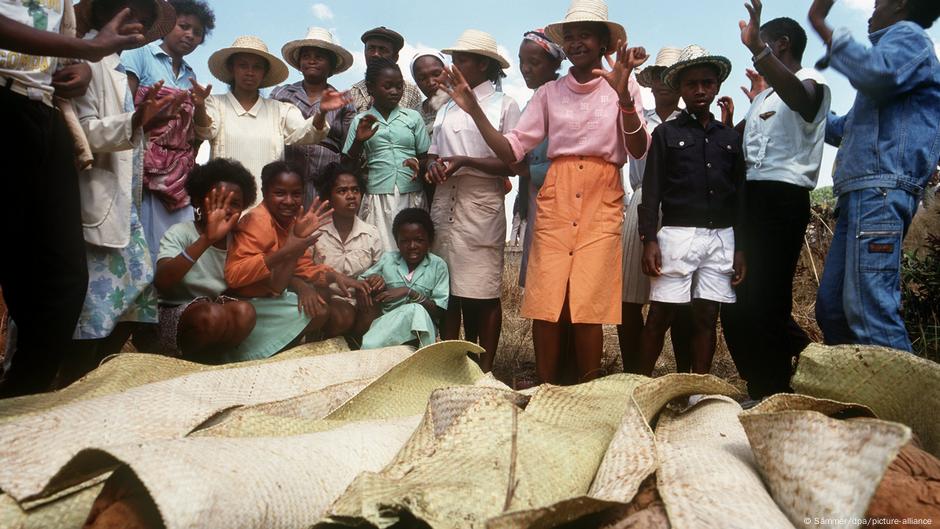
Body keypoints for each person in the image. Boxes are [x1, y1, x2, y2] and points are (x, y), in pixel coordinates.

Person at [440, 0, 650, 384]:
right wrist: (474, 110)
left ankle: (587, 389)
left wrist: (623, 98)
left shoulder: (624, 83)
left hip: (602, 194)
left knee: (588, 303)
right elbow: (513, 149)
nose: (575, 43)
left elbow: (637, 149)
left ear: (604, 41)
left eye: (584, 34)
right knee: (547, 299)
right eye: (569, 37)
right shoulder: (549, 94)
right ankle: (546, 385)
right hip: (557, 190)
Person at [0, 0, 149, 398]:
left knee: (61, 280)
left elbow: (59, 46)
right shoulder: (95, 51)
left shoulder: (98, 59)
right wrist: (87, 52)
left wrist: (76, 61)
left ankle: (19, 400)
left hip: (42, 110)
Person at [808, 0, 940, 352]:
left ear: (900, 5)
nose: (871, 9)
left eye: (879, 1)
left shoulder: (909, 38)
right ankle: (862, 398)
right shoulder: (892, 58)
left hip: (880, 191)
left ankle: (905, 404)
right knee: (833, 309)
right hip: (859, 195)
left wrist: (820, 23)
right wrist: (798, 100)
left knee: (870, 311)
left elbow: (877, 74)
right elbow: (843, 128)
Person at [67, 0, 182, 387]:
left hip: (119, 204)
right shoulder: (84, 59)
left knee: (137, 295)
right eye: (129, 14)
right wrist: (135, 121)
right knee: (93, 309)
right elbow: (81, 133)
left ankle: (90, 375)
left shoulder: (113, 66)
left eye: (145, 22)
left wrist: (144, 121)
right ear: (102, 13)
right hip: (91, 201)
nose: (137, 26)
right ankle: (73, 379)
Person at [722, 5, 831, 399]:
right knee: (735, 303)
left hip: (782, 199)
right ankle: (767, 380)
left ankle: (774, 388)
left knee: (767, 300)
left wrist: (759, 52)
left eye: (764, 41)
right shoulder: (763, 96)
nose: (754, 48)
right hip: (751, 200)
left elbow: (802, 101)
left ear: (781, 44)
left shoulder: (810, 82)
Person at [636, 45, 746, 377]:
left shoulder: (729, 137)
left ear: (717, 86)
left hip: (720, 238)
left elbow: (739, 195)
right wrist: (648, 240)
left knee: (705, 317)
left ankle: (697, 391)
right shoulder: (666, 133)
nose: (700, 90)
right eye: (692, 84)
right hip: (677, 235)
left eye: (707, 83)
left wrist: (740, 247)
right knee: (660, 315)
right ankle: (637, 387)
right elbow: (652, 190)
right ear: (680, 89)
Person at [428, 29, 521, 374]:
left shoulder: (505, 104)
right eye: (454, 58)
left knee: (482, 291)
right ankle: (452, 364)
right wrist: (432, 166)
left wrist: (466, 161)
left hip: (481, 199)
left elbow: (513, 161)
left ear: (483, 64)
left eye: (463, 59)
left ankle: (485, 368)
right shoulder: (446, 103)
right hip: (445, 199)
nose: (455, 65)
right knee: (449, 289)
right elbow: (433, 151)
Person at [224, 161, 369, 361]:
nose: (289, 201)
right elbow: (234, 276)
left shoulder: (292, 222)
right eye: (280, 193)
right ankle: (245, 353)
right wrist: (287, 252)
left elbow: (302, 268)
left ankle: (278, 353)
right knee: (318, 308)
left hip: (271, 295)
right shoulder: (257, 220)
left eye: (296, 194)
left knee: (319, 305)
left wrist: (334, 276)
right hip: (244, 303)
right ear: (265, 193)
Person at [618, 47, 695, 374]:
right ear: (649, 83)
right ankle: (635, 372)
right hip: (640, 202)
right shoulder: (637, 119)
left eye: (670, 75)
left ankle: (683, 375)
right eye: (658, 75)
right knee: (628, 298)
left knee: (680, 302)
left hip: (681, 208)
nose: (663, 82)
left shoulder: (692, 122)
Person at [194, 35, 339, 207]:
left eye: (257, 67)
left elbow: (307, 134)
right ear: (232, 68)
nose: (250, 72)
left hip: (267, 209)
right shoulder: (215, 103)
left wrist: (321, 112)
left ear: (264, 73)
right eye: (243, 65)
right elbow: (206, 130)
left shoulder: (280, 110)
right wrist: (200, 106)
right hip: (225, 204)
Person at [121, 0, 216, 261]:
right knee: (137, 238)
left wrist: (198, 105)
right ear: (166, 27)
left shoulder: (190, 74)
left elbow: (192, 132)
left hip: (177, 172)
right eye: (183, 26)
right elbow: (124, 110)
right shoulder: (138, 54)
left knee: (171, 242)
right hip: (139, 161)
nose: (190, 35)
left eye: (197, 32)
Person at [154, 159, 257, 361]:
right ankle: (183, 363)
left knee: (245, 312)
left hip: (215, 311)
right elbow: (162, 281)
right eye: (218, 201)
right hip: (174, 314)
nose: (225, 210)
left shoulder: (239, 241)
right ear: (199, 201)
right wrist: (206, 239)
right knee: (212, 315)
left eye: (234, 204)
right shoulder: (182, 232)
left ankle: (212, 362)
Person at [343, 58, 431, 251]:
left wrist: (418, 162)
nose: (395, 92)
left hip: (411, 194)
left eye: (399, 87)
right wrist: (358, 141)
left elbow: (427, 157)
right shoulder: (361, 121)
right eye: (388, 86)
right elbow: (346, 167)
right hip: (377, 196)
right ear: (370, 88)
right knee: (381, 251)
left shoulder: (413, 117)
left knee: (411, 250)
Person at [272, 27, 357, 208]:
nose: (312, 60)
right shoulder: (281, 93)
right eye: (306, 56)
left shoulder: (343, 101)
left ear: (331, 65)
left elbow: (347, 146)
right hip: (287, 179)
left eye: (319, 57)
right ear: (299, 62)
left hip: (326, 181)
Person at [359, 208, 449, 349]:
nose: (412, 246)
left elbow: (439, 310)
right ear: (396, 241)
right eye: (405, 241)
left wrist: (409, 292)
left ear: (429, 240)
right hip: (387, 327)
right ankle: (369, 352)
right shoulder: (388, 259)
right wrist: (372, 281)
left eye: (419, 240)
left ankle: (425, 355)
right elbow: (360, 282)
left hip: (421, 332)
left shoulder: (438, 266)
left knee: (416, 309)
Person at [313, 162, 384, 340]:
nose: (351, 196)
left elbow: (381, 270)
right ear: (328, 197)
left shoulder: (371, 233)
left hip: (361, 299)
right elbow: (305, 272)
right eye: (342, 191)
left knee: (373, 318)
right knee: (342, 317)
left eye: (355, 190)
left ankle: (355, 349)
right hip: (328, 299)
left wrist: (376, 280)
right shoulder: (316, 233)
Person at [348, 27, 422, 113]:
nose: (375, 54)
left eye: (382, 49)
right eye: (371, 48)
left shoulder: (410, 92)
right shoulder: (354, 92)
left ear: (395, 57)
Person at [410, 48, 449, 137]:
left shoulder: (460, 107)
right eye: (422, 78)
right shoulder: (414, 115)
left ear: (447, 72)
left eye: (436, 74)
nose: (431, 83)